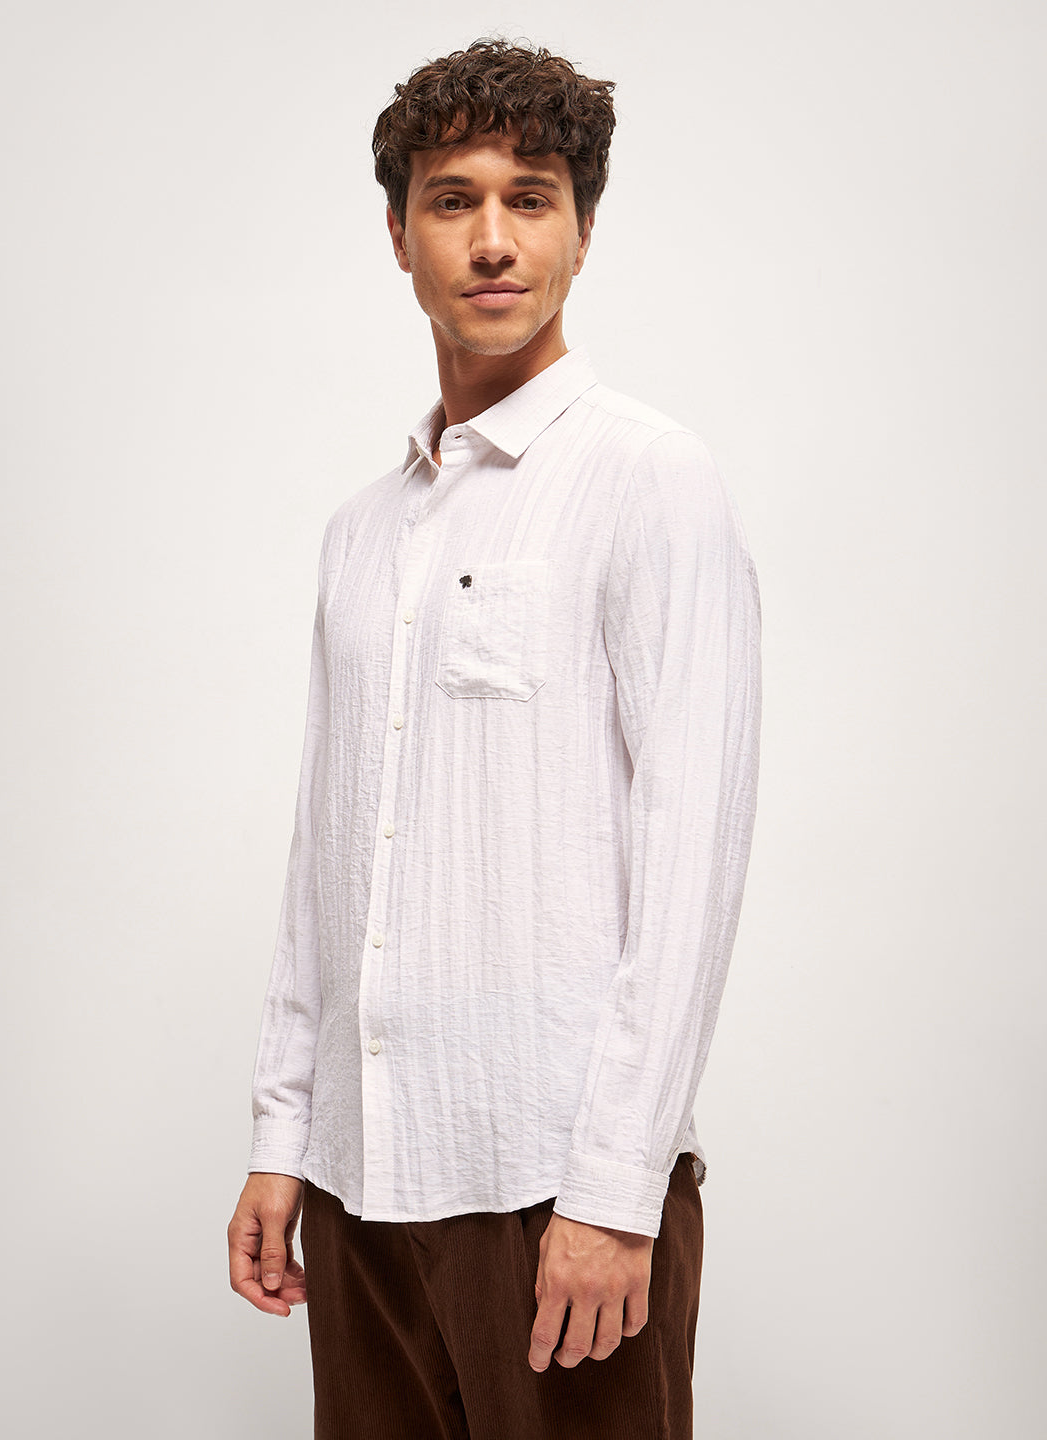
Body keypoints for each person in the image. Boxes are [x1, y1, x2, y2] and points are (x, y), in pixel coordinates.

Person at [227, 36, 762, 1440]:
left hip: (554, 1186)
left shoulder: (650, 480)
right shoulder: (360, 531)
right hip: (360, 1182)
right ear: (397, 232)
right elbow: (325, 858)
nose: (492, 240)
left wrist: (616, 1190)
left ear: (583, 230)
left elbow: (692, 854)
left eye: (531, 198)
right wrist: (284, 1137)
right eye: (452, 199)